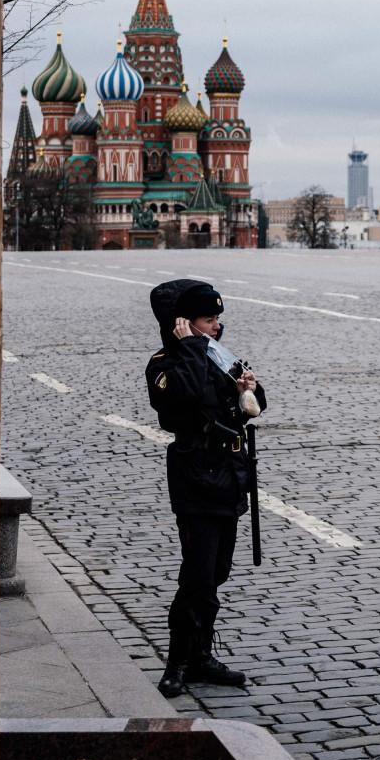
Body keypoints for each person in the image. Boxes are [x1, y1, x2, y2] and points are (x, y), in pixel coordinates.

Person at [146, 279, 266, 698]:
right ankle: (179, 660)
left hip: (230, 474)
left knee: (216, 573)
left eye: (218, 319)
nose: (216, 326)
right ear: (183, 323)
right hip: (196, 475)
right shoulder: (165, 363)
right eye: (208, 320)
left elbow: (258, 402)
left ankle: (200, 656)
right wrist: (193, 349)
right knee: (197, 575)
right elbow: (182, 395)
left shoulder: (217, 354)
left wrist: (246, 390)